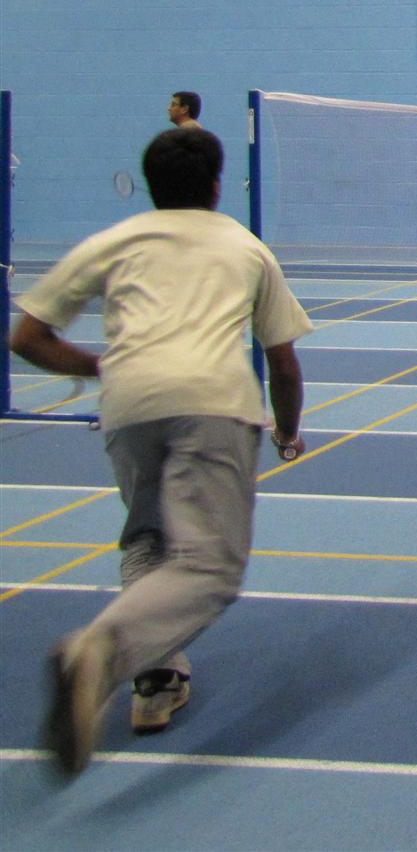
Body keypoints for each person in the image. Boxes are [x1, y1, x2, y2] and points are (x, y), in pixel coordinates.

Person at [8, 127, 312, 777]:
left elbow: (28, 337)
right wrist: (287, 433)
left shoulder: (114, 241)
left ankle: (158, 679)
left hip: (129, 407)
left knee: (148, 538)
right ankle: (101, 652)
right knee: (209, 567)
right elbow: (283, 364)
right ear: (217, 184)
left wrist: (105, 367)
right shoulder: (245, 246)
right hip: (214, 404)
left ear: (150, 185)